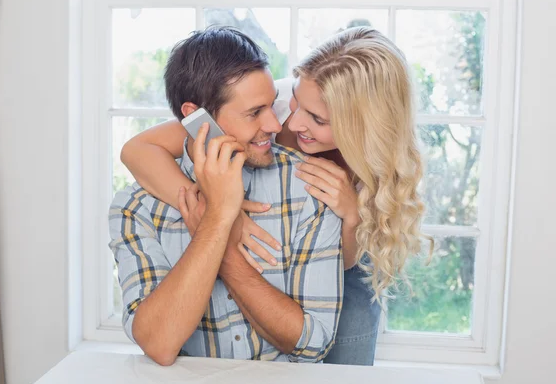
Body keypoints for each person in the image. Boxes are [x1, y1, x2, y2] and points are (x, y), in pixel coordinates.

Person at [120, 26, 430, 365]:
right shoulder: (273, 105)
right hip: (270, 236)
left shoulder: (379, 164)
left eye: (317, 119)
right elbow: (138, 149)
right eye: (296, 101)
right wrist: (219, 210)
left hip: (343, 257)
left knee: (346, 355)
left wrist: (352, 216)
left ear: (361, 126)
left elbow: (335, 266)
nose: (291, 123)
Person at [109, 26, 344, 366]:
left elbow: (314, 344)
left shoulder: (309, 187)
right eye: (253, 113)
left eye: (272, 107)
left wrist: (224, 243)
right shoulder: (135, 208)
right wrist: (218, 216)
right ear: (194, 116)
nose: (277, 126)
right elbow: (159, 344)